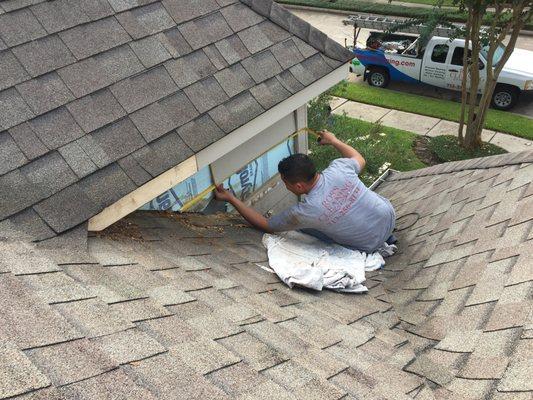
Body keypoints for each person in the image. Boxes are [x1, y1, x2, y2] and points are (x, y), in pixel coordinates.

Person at [214, 130, 396, 253]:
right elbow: (359, 159)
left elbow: (266, 225)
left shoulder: (306, 211)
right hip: (388, 217)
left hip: (369, 244)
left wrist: (231, 198)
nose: (285, 186)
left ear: (299, 186)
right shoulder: (338, 169)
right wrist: (333, 141)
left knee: (308, 229)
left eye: (285, 182)